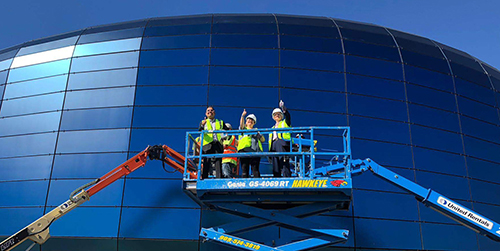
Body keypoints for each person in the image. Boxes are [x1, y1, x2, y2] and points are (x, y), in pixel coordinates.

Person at [199, 106, 230, 179]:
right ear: (206, 114)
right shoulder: (203, 122)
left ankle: (218, 177)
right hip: (207, 144)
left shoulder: (220, 122)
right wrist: (202, 125)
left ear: (214, 112)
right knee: (206, 161)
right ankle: (204, 178)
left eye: (211, 110)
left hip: (217, 143)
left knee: (218, 161)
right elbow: (200, 130)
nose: (210, 112)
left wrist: (225, 140)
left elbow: (228, 131)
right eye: (208, 111)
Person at [238, 109, 265, 178]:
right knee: (244, 170)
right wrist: (242, 116)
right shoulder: (243, 129)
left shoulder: (257, 131)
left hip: (255, 152)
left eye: (252, 120)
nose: (250, 121)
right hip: (244, 151)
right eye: (248, 120)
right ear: (246, 122)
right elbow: (241, 125)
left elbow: (263, 140)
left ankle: (258, 186)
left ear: (254, 123)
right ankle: (244, 185)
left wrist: (259, 136)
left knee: (255, 170)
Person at [269, 100, 292, 177]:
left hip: (283, 144)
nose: (277, 116)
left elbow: (288, 117)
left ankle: (287, 177)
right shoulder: (271, 128)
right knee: (275, 164)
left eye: (279, 114)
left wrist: (283, 108)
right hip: (274, 146)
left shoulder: (284, 123)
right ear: (273, 117)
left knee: (283, 161)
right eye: (275, 115)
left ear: (282, 116)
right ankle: (277, 178)